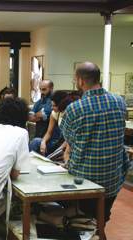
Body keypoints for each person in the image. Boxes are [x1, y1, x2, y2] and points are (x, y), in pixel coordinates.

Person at [60, 62, 130, 222]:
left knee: (81, 219)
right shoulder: (119, 102)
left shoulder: (74, 109)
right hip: (113, 178)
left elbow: (70, 141)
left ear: (80, 81)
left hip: (84, 180)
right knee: (101, 218)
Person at [29, 90, 67, 155]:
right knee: (36, 141)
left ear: (61, 105)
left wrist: (58, 152)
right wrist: (43, 142)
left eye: (54, 106)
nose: (52, 108)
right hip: (55, 142)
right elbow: (49, 132)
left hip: (65, 144)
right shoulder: (54, 113)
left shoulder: (70, 113)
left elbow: (69, 140)